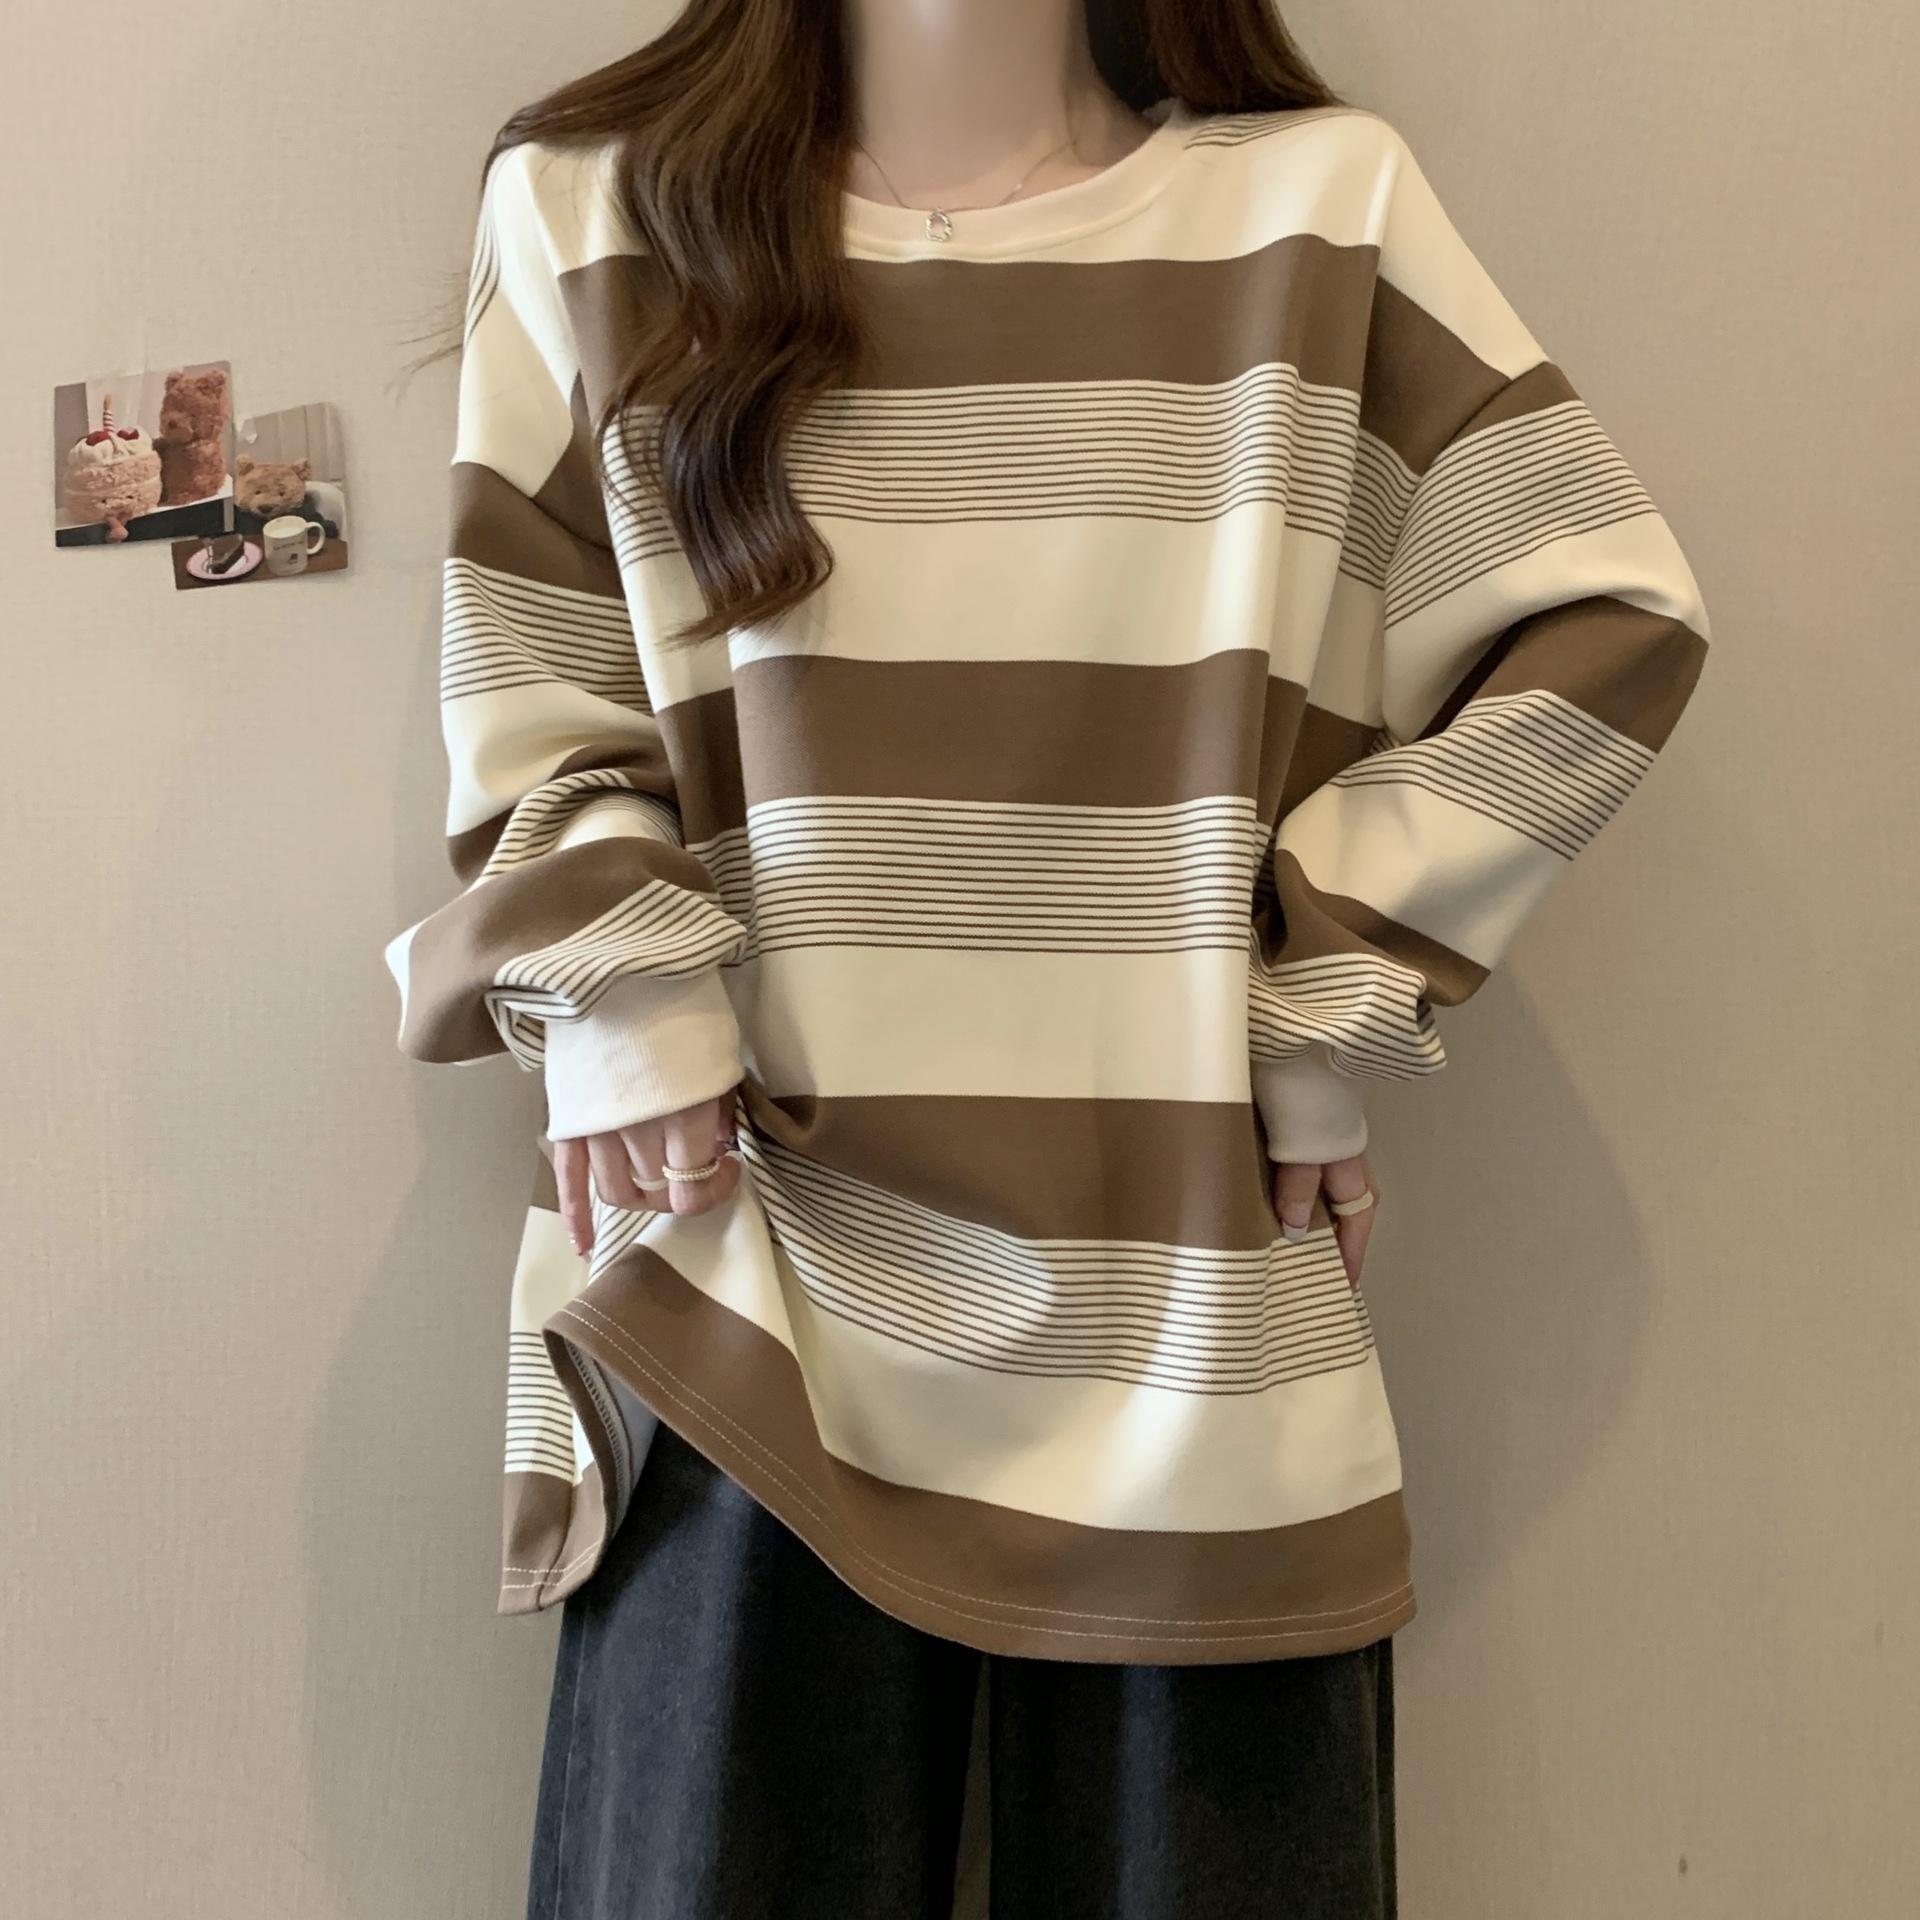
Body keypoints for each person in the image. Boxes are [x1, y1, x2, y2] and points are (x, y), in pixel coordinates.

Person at [384, 1, 1712, 1913]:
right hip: (742, 1281)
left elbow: (1606, 618)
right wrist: (630, 1004)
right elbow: (538, 687)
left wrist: (1313, 1004)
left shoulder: (1317, 212)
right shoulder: (594, 214)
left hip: (1192, 1320)